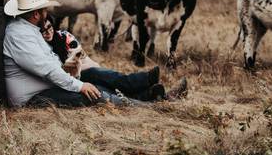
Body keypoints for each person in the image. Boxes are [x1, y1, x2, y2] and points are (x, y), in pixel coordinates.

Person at [2, 0, 144, 108]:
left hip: (47, 86)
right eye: (44, 10)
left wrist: (73, 77)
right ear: (35, 14)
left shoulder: (28, 28)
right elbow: (47, 70)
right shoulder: (19, 35)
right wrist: (79, 85)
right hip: (32, 97)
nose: (47, 14)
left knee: (93, 78)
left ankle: (141, 94)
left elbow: (49, 64)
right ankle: (138, 105)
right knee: (90, 95)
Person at [41, 15, 188, 101]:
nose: (48, 32)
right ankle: (151, 94)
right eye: (43, 31)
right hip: (69, 81)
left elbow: (80, 56)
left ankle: (146, 84)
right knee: (103, 88)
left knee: (101, 75)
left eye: (50, 27)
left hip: (81, 72)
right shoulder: (39, 48)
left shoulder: (63, 37)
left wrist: (86, 68)